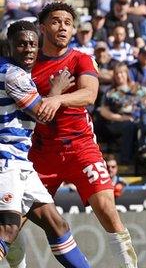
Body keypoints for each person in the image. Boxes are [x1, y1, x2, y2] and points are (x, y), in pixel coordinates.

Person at [29, 2, 138, 268]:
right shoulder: (27, 65)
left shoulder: (81, 59)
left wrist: (58, 100)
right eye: (55, 21)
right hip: (41, 154)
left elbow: (90, 94)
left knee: (107, 210)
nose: (62, 27)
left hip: (81, 147)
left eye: (67, 22)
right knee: (12, 220)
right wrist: (51, 97)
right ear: (42, 28)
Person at [0, 21, 92, 268]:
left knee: (56, 224)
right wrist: (58, 89)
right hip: (6, 162)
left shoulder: (10, 71)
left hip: (20, 162)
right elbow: (42, 114)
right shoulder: (13, 75)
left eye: (32, 44)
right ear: (9, 46)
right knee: (8, 228)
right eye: (21, 44)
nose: (29, 49)